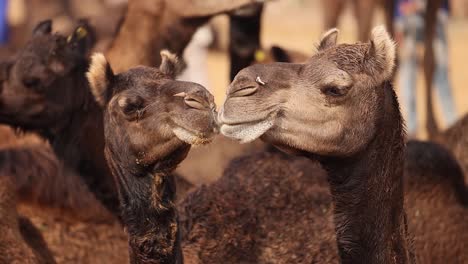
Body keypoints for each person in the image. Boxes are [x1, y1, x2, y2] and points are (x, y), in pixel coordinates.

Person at [395, 0, 457, 136]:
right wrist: (399, 22)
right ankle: (411, 129)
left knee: (440, 76)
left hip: (435, 21)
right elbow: (398, 5)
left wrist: (418, 5)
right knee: (408, 79)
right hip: (409, 23)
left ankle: (452, 126)